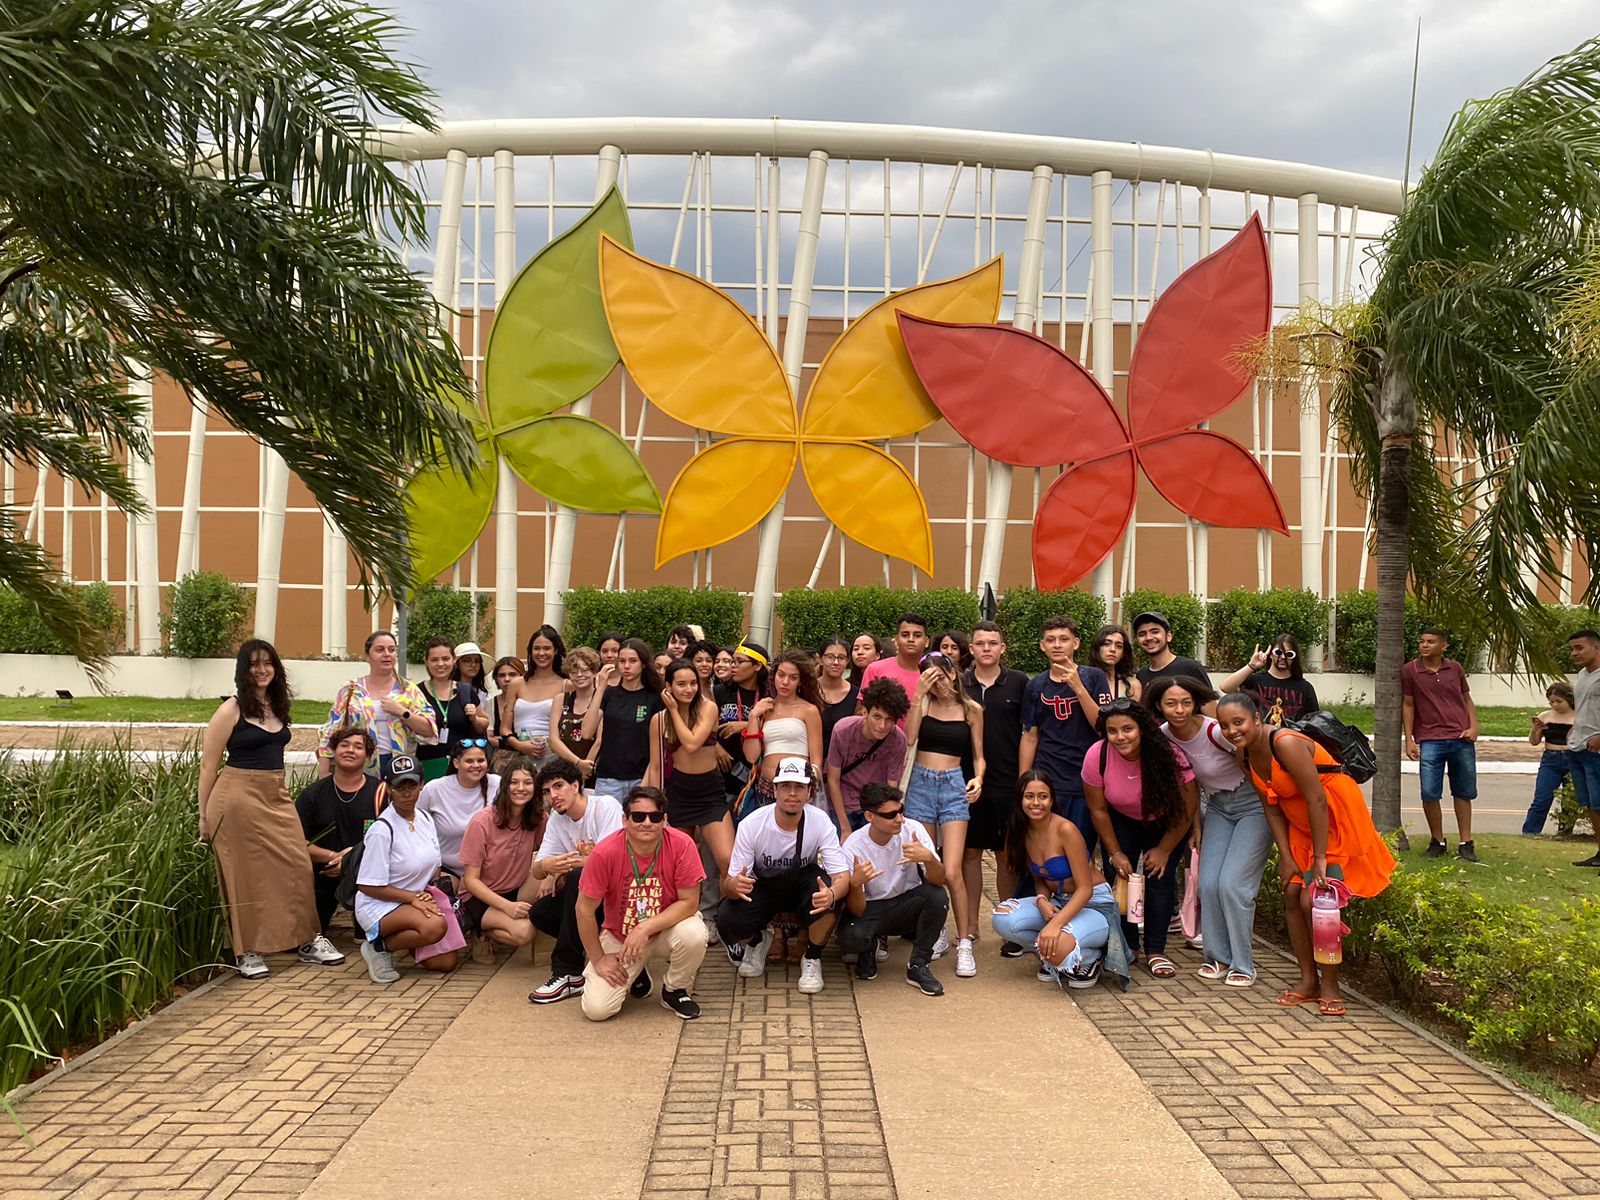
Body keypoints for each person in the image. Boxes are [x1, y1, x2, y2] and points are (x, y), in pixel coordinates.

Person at [1216, 692, 1395, 1017]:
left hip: (1332, 820)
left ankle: (1330, 986)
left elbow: (1317, 800)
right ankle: (1308, 981)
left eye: (1238, 722)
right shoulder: (1244, 756)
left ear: (1257, 719)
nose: (1232, 731)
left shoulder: (1285, 743)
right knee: (1291, 894)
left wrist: (1321, 859)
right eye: (1225, 726)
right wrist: (1285, 856)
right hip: (1300, 827)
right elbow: (1270, 808)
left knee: (1316, 901)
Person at [200, 640, 341, 978]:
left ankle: (306, 940)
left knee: (295, 862)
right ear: (242, 670)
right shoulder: (231, 710)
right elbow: (208, 766)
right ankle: (246, 950)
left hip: (274, 793)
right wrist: (204, 816)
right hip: (236, 794)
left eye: (268, 663)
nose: (261, 670)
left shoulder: (276, 705)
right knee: (243, 875)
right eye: (253, 664)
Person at [1147, 675, 1266, 987]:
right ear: (1159, 705)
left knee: (1233, 886)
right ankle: (1217, 956)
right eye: (1171, 703)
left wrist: (1275, 811)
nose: (1179, 710)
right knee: (1208, 884)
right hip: (1216, 809)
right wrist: (1196, 826)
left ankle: (1243, 963)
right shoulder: (1163, 738)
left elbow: (1251, 760)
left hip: (1252, 805)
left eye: (1186, 702)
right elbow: (1190, 782)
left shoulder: (1216, 731)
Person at [1082, 697, 1198, 979]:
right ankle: (1128, 945)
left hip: (1166, 820)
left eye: (1127, 729)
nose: (1120, 737)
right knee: (1119, 875)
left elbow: (1187, 806)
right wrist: (1114, 852)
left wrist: (1165, 850)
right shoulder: (1097, 755)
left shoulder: (1167, 754)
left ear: (1142, 729)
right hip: (1122, 818)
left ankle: (1156, 950)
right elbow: (1097, 810)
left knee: (1159, 877)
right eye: (1113, 731)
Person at [575, 786, 709, 1021]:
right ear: (625, 820)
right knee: (597, 1010)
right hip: (621, 937)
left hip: (666, 930)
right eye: (638, 816)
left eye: (655, 816)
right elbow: (583, 909)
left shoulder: (682, 844)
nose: (646, 823)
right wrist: (598, 959)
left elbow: (689, 903)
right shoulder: (604, 853)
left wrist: (644, 927)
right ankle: (637, 973)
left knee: (694, 933)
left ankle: (674, 990)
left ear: (665, 820)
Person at [718, 758, 851, 994]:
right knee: (727, 918)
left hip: (802, 882)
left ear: (809, 792)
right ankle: (758, 943)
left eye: (799, 787)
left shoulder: (820, 821)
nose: (792, 793)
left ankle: (812, 957)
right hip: (764, 884)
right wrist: (734, 885)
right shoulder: (752, 824)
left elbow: (841, 876)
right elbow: (730, 882)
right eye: (785, 786)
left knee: (833, 897)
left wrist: (831, 894)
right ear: (775, 789)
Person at [990, 771, 1127, 990]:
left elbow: (1085, 890)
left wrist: (1054, 925)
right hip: (1058, 902)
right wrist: (1042, 899)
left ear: (1052, 800)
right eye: (1029, 796)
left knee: (1057, 947)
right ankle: (1054, 953)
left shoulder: (1066, 830)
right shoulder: (1021, 831)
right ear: (1020, 799)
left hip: (1093, 905)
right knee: (1002, 918)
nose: (1036, 803)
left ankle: (1090, 958)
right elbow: (1040, 878)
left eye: (1043, 796)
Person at [904, 651, 985, 977]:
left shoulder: (972, 710)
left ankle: (963, 941)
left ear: (953, 674)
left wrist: (979, 777)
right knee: (927, 867)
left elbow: (979, 756)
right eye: (928, 676)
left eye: (939, 675)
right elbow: (909, 739)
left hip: (953, 786)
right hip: (921, 785)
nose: (935, 681)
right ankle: (935, 932)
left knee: (952, 871)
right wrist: (918, 695)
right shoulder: (922, 705)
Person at [353, 754, 464, 984]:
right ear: (388, 789)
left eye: (411, 785)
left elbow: (433, 865)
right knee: (434, 926)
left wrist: (432, 895)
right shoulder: (382, 829)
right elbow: (367, 885)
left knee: (445, 963)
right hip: (379, 905)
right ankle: (378, 947)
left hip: (413, 899)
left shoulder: (424, 817)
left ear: (421, 785)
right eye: (398, 786)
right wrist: (413, 898)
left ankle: (402, 936)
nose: (406, 792)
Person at [527, 760, 627, 1004]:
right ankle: (601, 950)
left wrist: (562, 868)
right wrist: (548, 868)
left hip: (618, 897)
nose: (553, 795)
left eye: (559, 786)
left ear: (576, 785)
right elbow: (537, 870)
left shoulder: (605, 806)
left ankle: (567, 971)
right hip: (588, 901)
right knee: (540, 912)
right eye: (547, 791)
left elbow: (608, 861)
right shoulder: (557, 820)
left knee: (577, 878)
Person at [838, 782, 948, 996]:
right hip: (871, 909)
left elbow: (939, 879)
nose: (900, 819)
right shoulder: (853, 846)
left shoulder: (913, 829)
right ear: (870, 817)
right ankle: (868, 948)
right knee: (851, 937)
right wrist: (855, 884)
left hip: (905, 904)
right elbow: (857, 910)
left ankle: (918, 965)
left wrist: (929, 859)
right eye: (891, 815)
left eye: (901, 811)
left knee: (937, 896)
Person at [961, 621, 1030, 956]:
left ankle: (1009, 927)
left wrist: (1024, 779)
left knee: (1006, 857)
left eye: (993, 643)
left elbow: (1029, 733)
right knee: (969, 855)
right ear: (971, 649)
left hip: (1007, 783)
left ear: (1003, 648)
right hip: (967, 784)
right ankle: (970, 927)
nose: (986, 648)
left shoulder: (1019, 683)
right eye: (980, 643)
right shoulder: (959, 684)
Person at [1017, 614, 1113, 848]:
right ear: (1043, 646)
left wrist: (1078, 687)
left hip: (1085, 778)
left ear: (1076, 643)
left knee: (1080, 847)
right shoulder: (1036, 685)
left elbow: (1103, 728)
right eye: (1051, 640)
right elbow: (1030, 736)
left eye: (1063, 639)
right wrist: (1023, 780)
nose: (1057, 645)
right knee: (1045, 847)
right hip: (1048, 777)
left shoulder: (1094, 677)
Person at [647, 659, 733, 888]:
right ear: (669, 687)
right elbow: (655, 766)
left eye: (693, 683)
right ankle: (685, 913)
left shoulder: (708, 707)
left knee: (727, 859)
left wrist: (674, 710)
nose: (689, 689)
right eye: (681, 684)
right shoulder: (658, 720)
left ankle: (723, 915)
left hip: (709, 790)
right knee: (677, 862)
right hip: (679, 791)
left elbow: (692, 743)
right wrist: (656, 807)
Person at [297, 723, 383, 941]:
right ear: (333, 752)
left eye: (358, 746)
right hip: (322, 872)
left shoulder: (381, 792)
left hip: (366, 875)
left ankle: (364, 923)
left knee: (369, 937)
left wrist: (348, 859)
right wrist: (332, 857)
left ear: (368, 756)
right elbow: (296, 842)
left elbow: (390, 841)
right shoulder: (312, 795)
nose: (350, 750)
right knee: (305, 936)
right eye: (344, 745)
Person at [1402, 626, 1479, 862]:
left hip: (1460, 738)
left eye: (1430, 642)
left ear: (1443, 646)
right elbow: (1408, 705)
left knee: (1463, 791)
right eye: (1422, 641)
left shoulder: (1454, 668)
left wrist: (1474, 727)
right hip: (1430, 739)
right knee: (1429, 792)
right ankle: (1438, 840)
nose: (1424, 645)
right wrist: (1409, 740)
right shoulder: (1410, 671)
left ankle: (1466, 843)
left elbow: (1467, 700)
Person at [459, 756, 544, 963]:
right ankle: (480, 933)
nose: (520, 788)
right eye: (514, 782)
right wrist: (507, 907)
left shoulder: (538, 817)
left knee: (557, 876)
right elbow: (471, 881)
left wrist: (551, 876)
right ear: (505, 786)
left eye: (527, 783)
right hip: (478, 897)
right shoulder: (482, 822)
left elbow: (552, 850)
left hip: (515, 887)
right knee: (524, 932)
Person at [320, 630, 436, 777]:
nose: (387, 654)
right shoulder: (351, 690)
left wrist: (403, 712)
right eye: (380, 650)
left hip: (399, 766)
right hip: (359, 765)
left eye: (392, 650)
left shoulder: (408, 690)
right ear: (367, 656)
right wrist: (323, 780)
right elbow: (329, 733)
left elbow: (429, 730)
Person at [581, 638, 666, 799]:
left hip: (641, 779)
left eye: (633, 661)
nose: (626, 666)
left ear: (644, 664)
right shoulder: (609, 694)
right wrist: (600, 689)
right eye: (622, 661)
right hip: (608, 779)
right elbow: (586, 732)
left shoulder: (655, 698)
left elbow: (660, 746)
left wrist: (648, 781)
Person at [742, 649, 824, 812]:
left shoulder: (809, 710)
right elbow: (752, 757)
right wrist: (752, 717)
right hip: (766, 788)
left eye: (793, 677)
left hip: (798, 789)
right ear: (774, 676)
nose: (785, 682)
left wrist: (809, 788)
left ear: (800, 681)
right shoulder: (763, 709)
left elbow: (816, 759)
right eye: (781, 675)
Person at [824, 678, 910, 834]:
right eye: (877, 717)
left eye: (889, 720)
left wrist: (886, 817)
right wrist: (844, 828)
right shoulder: (843, 730)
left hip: (874, 806)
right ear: (865, 712)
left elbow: (891, 787)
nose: (882, 726)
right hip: (841, 803)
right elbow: (833, 780)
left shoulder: (898, 740)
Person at [416, 738, 499, 880]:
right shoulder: (434, 789)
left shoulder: (497, 784)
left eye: (481, 760)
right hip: (446, 869)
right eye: (469, 761)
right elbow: (416, 827)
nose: (476, 765)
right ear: (456, 763)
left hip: (490, 869)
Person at [499, 625, 571, 765]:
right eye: (536, 648)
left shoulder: (566, 685)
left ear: (555, 650)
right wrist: (520, 745)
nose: (541, 653)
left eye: (547, 648)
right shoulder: (517, 684)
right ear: (530, 651)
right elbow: (505, 728)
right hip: (522, 755)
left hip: (554, 756)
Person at [415, 636, 479, 781]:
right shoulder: (416, 692)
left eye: (445, 659)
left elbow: (483, 726)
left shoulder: (466, 691)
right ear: (426, 662)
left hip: (462, 766)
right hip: (427, 764)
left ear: (454, 660)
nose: (440, 664)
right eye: (434, 660)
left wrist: (474, 717)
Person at [1220, 635, 1319, 725]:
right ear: (1271, 654)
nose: (1283, 657)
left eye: (1289, 654)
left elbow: (1314, 723)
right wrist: (1251, 666)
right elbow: (1225, 688)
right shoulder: (1255, 681)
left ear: (1294, 658)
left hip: (1291, 741)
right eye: (1278, 652)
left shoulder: (1305, 688)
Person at [715, 641, 769, 806]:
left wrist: (746, 725)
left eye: (739, 662)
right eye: (733, 661)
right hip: (722, 774)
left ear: (757, 666)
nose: (733, 666)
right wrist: (715, 747)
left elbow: (778, 726)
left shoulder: (768, 696)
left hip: (756, 775)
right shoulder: (719, 691)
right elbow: (703, 724)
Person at [1522, 681, 1576, 836]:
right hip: (1550, 760)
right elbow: (1534, 742)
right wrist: (1535, 729)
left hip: (1572, 758)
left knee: (1569, 800)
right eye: (1552, 702)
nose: (1555, 705)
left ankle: (1565, 833)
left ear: (1569, 700)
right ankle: (1530, 832)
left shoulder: (1578, 716)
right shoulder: (1545, 716)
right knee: (1542, 798)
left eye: (1559, 701)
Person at [857, 614, 930, 723]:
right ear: (896, 640)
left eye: (917, 635)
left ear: (926, 641)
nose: (911, 639)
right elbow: (860, 712)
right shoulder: (875, 669)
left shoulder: (930, 675)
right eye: (905, 635)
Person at [1568, 630, 1600, 866]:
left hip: (1596, 749)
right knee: (1591, 805)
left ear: (1596, 648)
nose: (1574, 653)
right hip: (1578, 746)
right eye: (1572, 649)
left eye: (1579, 648)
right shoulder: (1582, 674)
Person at [548, 645, 601, 779]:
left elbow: (599, 741)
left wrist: (585, 768)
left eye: (585, 670)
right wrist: (577, 763)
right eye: (573, 671)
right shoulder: (560, 699)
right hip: (564, 769)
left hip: (593, 770)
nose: (579, 675)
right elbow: (553, 739)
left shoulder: (602, 698)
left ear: (594, 672)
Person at [1132, 611, 1209, 690]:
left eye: (1155, 632)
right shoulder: (1141, 675)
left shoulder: (1191, 668)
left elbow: (1210, 702)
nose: (1149, 638)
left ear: (1168, 636)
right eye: (1142, 634)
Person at [817, 637, 860, 757]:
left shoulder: (856, 695)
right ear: (821, 659)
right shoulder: (807, 690)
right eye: (830, 657)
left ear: (847, 661)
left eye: (841, 658)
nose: (835, 662)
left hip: (843, 763)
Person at [486, 655, 525, 767]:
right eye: (501, 675)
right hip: (502, 760)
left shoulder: (529, 702)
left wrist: (501, 741)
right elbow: (489, 738)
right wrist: (516, 743)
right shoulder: (491, 703)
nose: (507, 679)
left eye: (512, 674)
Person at [1089, 624, 1142, 701]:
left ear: (1123, 653)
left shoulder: (1133, 685)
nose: (1113, 649)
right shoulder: (1084, 680)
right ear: (1097, 648)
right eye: (1107, 644)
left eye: (1119, 646)